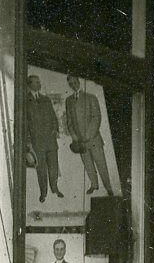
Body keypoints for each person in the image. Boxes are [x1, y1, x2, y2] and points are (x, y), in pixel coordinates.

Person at [63, 74, 115, 196]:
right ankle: (94, 185)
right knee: (88, 164)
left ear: (79, 81)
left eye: (75, 82)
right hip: (80, 142)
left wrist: (88, 135)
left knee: (101, 164)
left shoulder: (91, 97)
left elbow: (96, 117)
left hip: (93, 139)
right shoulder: (68, 101)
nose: (73, 85)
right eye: (70, 84)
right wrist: (73, 135)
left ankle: (108, 187)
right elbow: (69, 121)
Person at [25, 74, 63, 203]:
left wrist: (55, 129)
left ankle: (55, 188)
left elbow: (53, 116)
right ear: (30, 84)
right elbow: (25, 124)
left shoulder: (46, 99)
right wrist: (29, 143)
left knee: (53, 167)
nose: (39, 84)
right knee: (41, 169)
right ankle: (43, 193)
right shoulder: (25, 101)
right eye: (36, 82)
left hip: (50, 141)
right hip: (37, 143)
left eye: (39, 82)